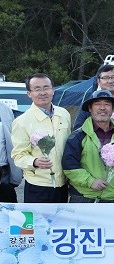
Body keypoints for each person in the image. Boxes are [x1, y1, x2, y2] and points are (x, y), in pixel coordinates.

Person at [62, 90, 114, 203]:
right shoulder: (78, 136)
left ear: (113, 109)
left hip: (112, 198)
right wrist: (90, 181)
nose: (102, 108)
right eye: (98, 104)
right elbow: (69, 166)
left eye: (107, 104)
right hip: (83, 198)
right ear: (90, 108)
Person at [11, 73, 70, 203]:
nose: (43, 93)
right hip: (38, 186)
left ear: (53, 90)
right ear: (29, 93)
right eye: (37, 89)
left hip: (63, 184)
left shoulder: (64, 114)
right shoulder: (22, 121)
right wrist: (34, 161)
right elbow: (18, 156)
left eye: (46, 87)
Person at [73, 65, 114, 130]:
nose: (110, 81)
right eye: (105, 78)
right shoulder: (89, 106)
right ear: (98, 81)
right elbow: (77, 130)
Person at [0, 102, 22, 202]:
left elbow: (12, 142)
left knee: (5, 209)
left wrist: (16, 174)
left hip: (3, 173)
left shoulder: (4, 109)